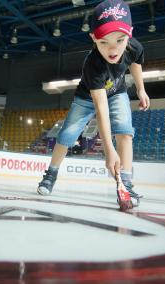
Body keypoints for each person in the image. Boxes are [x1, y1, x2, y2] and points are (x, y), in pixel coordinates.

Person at [37, 0, 150, 207]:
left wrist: (141, 89)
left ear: (130, 35)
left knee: (125, 132)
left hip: (117, 92)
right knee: (67, 135)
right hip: (87, 98)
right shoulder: (93, 64)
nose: (112, 49)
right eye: (104, 42)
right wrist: (108, 150)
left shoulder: (135, 47)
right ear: (93, 38)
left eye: (120, 40)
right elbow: (101, 108)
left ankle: (125, 182)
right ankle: (50, 174)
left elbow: (136, 63)